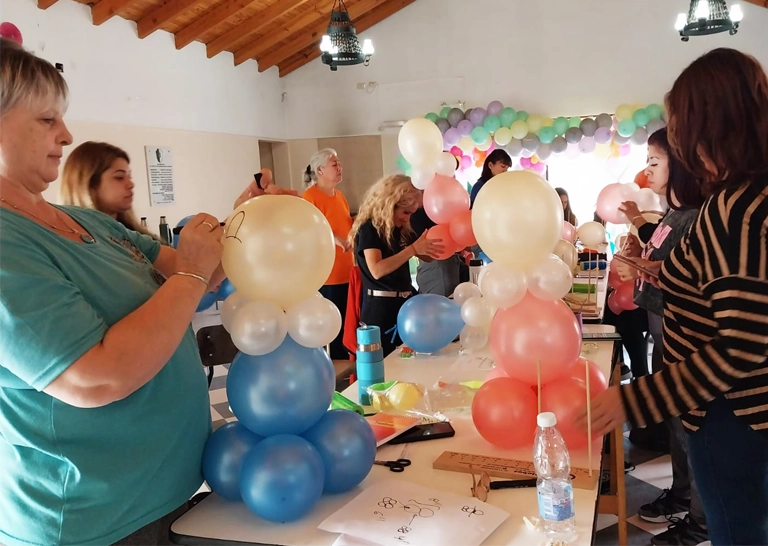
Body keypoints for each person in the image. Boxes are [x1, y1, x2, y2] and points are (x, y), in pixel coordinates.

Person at [0, 39, 256, 546]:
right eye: (46, 120)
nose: (66, 134)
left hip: (173, 491)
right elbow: (93, 377)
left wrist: (252, 220)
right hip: (96, 522)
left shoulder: (88, 222)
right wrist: (190, 272)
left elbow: (201, 273)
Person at [578, 48, 768, 546]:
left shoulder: (735, 209)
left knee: (738, 532)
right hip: (737, 412)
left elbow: (742, 346)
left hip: (734, 415)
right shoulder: (748, 196)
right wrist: (676, 274)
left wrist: (637, 398)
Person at [615, 128, 709, 545]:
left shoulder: (696, 217)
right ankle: (684, 494)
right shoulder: (672, 215)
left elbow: (686, 286)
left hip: (687, 341)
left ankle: (702, 521)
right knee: (677, 427)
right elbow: (659, 264)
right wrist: (639, 259)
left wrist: (642, 269)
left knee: (693, 431)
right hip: (665, 334)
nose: (646, 169)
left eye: (655, 162)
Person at [349, 174, 443, 356]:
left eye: (411, 213)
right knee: (383, 366)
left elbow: (426, 255)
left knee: (405, 363)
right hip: (380, 310)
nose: (407, 219)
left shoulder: (401, 230)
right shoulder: (369, 229)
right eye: (405, 212)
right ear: (389, 205)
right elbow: (376, 270)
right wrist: (413, 249)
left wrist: (436, 245)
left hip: (404, 305)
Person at [302, 149, 353, 360]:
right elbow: (310, 229)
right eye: (334, 164)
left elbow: (347, 225)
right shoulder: (310, 197)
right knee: (332, 327)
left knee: (346, 326)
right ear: (320, 170)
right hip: (327, 274)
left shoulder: (340, 196)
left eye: (339, 163)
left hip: (347, 271)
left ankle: (346, 371)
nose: (339, 168)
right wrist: (335, 239)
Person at [60, 140, 158, 238]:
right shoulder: (74, 241)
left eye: (130, 176)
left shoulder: (140, 238)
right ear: (89, 184)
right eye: (119, 177)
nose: (131, 184)